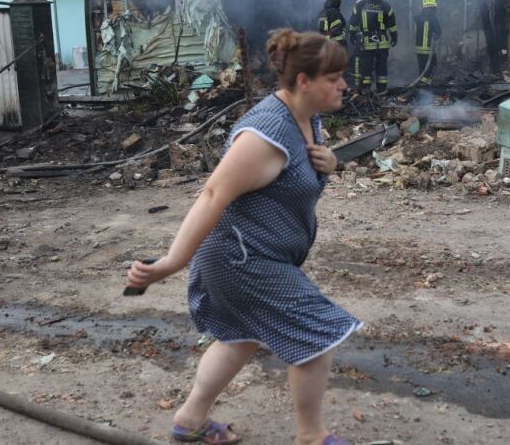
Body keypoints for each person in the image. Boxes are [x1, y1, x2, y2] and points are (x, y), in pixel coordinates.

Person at [126, 29, 359, 445]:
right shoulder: (265, 135)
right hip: (241, 258)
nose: (344, 84)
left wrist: (331, 163)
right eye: (334, 77)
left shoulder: (306, 118)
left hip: (254, 252)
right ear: (304, 81)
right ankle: (312, 436)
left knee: (241, 336)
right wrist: (170, 263)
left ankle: (189, 422)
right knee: (317, 333)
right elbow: (212, 194)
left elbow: (292, 181)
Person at [348, 0, 397, 93]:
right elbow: (392, 25)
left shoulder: (360, 5)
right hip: (383, 42)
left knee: (366, 67)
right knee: (382, 67)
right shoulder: (386, 6)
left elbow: (353, 23)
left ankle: (365, 90)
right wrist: (394, 36)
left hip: (367, 42)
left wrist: (352, 35)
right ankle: (382, 90)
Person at [414, 0, 442, 85]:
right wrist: (436, 36)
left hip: (418, 49)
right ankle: (426, 86)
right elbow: (438, 31)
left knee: (422, 69)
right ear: (433, 6)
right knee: (432, 67)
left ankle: (421, 84)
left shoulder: (417, 18)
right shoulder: (432, 18)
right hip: (428, 50)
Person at [349, 0, 366, 86]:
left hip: (360, 36)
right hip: (368, 36)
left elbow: (353, 22)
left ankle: (357, 83)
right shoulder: (367, 4)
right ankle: (366, 80)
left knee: (357, 58)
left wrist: (351, 34)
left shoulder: (358, 6)